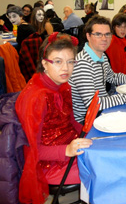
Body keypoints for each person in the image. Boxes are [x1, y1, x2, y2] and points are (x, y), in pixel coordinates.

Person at [15, 32, 92, 204]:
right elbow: (33, 151)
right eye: (58, 61)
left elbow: (71, 122)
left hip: (68, 146)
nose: (65, 68)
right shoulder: (37, 98)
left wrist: (90, 134)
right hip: (48, 163)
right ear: (44, 64)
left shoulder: (61, 85)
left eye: (70, 61)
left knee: (107, 153)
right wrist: (66, 150)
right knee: (103, 167)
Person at [69, 15, 126, 124]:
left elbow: (112, 77)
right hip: (87, 121)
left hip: (101, 111)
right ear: (88, 36)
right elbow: (93, 104)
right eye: (98, 34)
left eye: (107, 34)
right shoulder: (83, 63)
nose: (104, 38)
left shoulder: (101, 55)